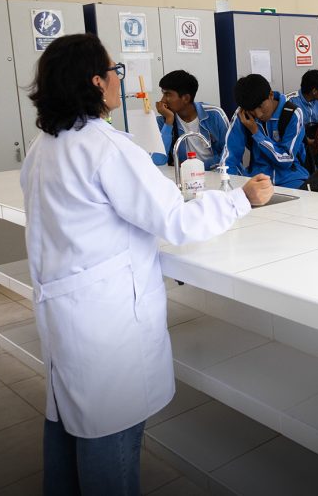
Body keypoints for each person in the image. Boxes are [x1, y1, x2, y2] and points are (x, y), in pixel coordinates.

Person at [20, 33, 273, 496]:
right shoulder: (106, 147)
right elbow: (175, 221)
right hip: (105, 320)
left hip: (68, 311)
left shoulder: (45, 144)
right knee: (110, 435)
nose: (120, 80)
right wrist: (242, 200)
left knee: (69, 429)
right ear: (96, 82)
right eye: (114, 72)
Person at [223, 74, 308, 188]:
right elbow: (230, 157)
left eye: (260, 106)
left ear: (271, 95)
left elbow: (286, 160)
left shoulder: (292, 113)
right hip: (257, 179)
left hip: (291, 179)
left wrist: (256, 133)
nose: (258, 114)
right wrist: (228, 186)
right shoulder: (242, 115)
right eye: (252, 110)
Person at [152, 70, 229, 168]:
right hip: (186, 175)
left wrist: (198, 167)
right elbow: (158, 161)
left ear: (186, 98)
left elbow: (229, 153)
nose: (162, 100)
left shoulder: (215, 114)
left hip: (217, 172)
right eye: (163, 94)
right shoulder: (164, 120)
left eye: (168, 94)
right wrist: (169, 121)